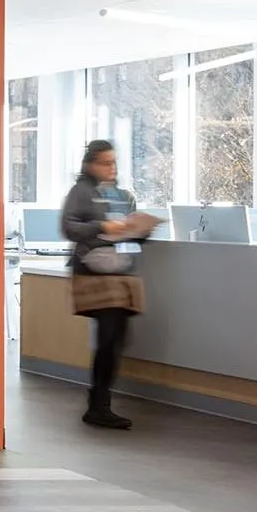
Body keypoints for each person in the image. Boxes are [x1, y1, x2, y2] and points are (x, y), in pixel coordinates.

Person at [61, 139, 156, 429]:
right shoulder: (82, 192)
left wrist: (139, 230)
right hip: (96, 275)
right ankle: (99, 405)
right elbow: (69, 227)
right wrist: (102, 226)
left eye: (114, 162)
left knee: (116, 339)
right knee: (108, 337)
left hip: (122, 272)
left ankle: (100, 401)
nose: (111, 168)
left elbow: (130, 234)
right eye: (105, 162)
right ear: (90, 164)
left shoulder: (124, 196)